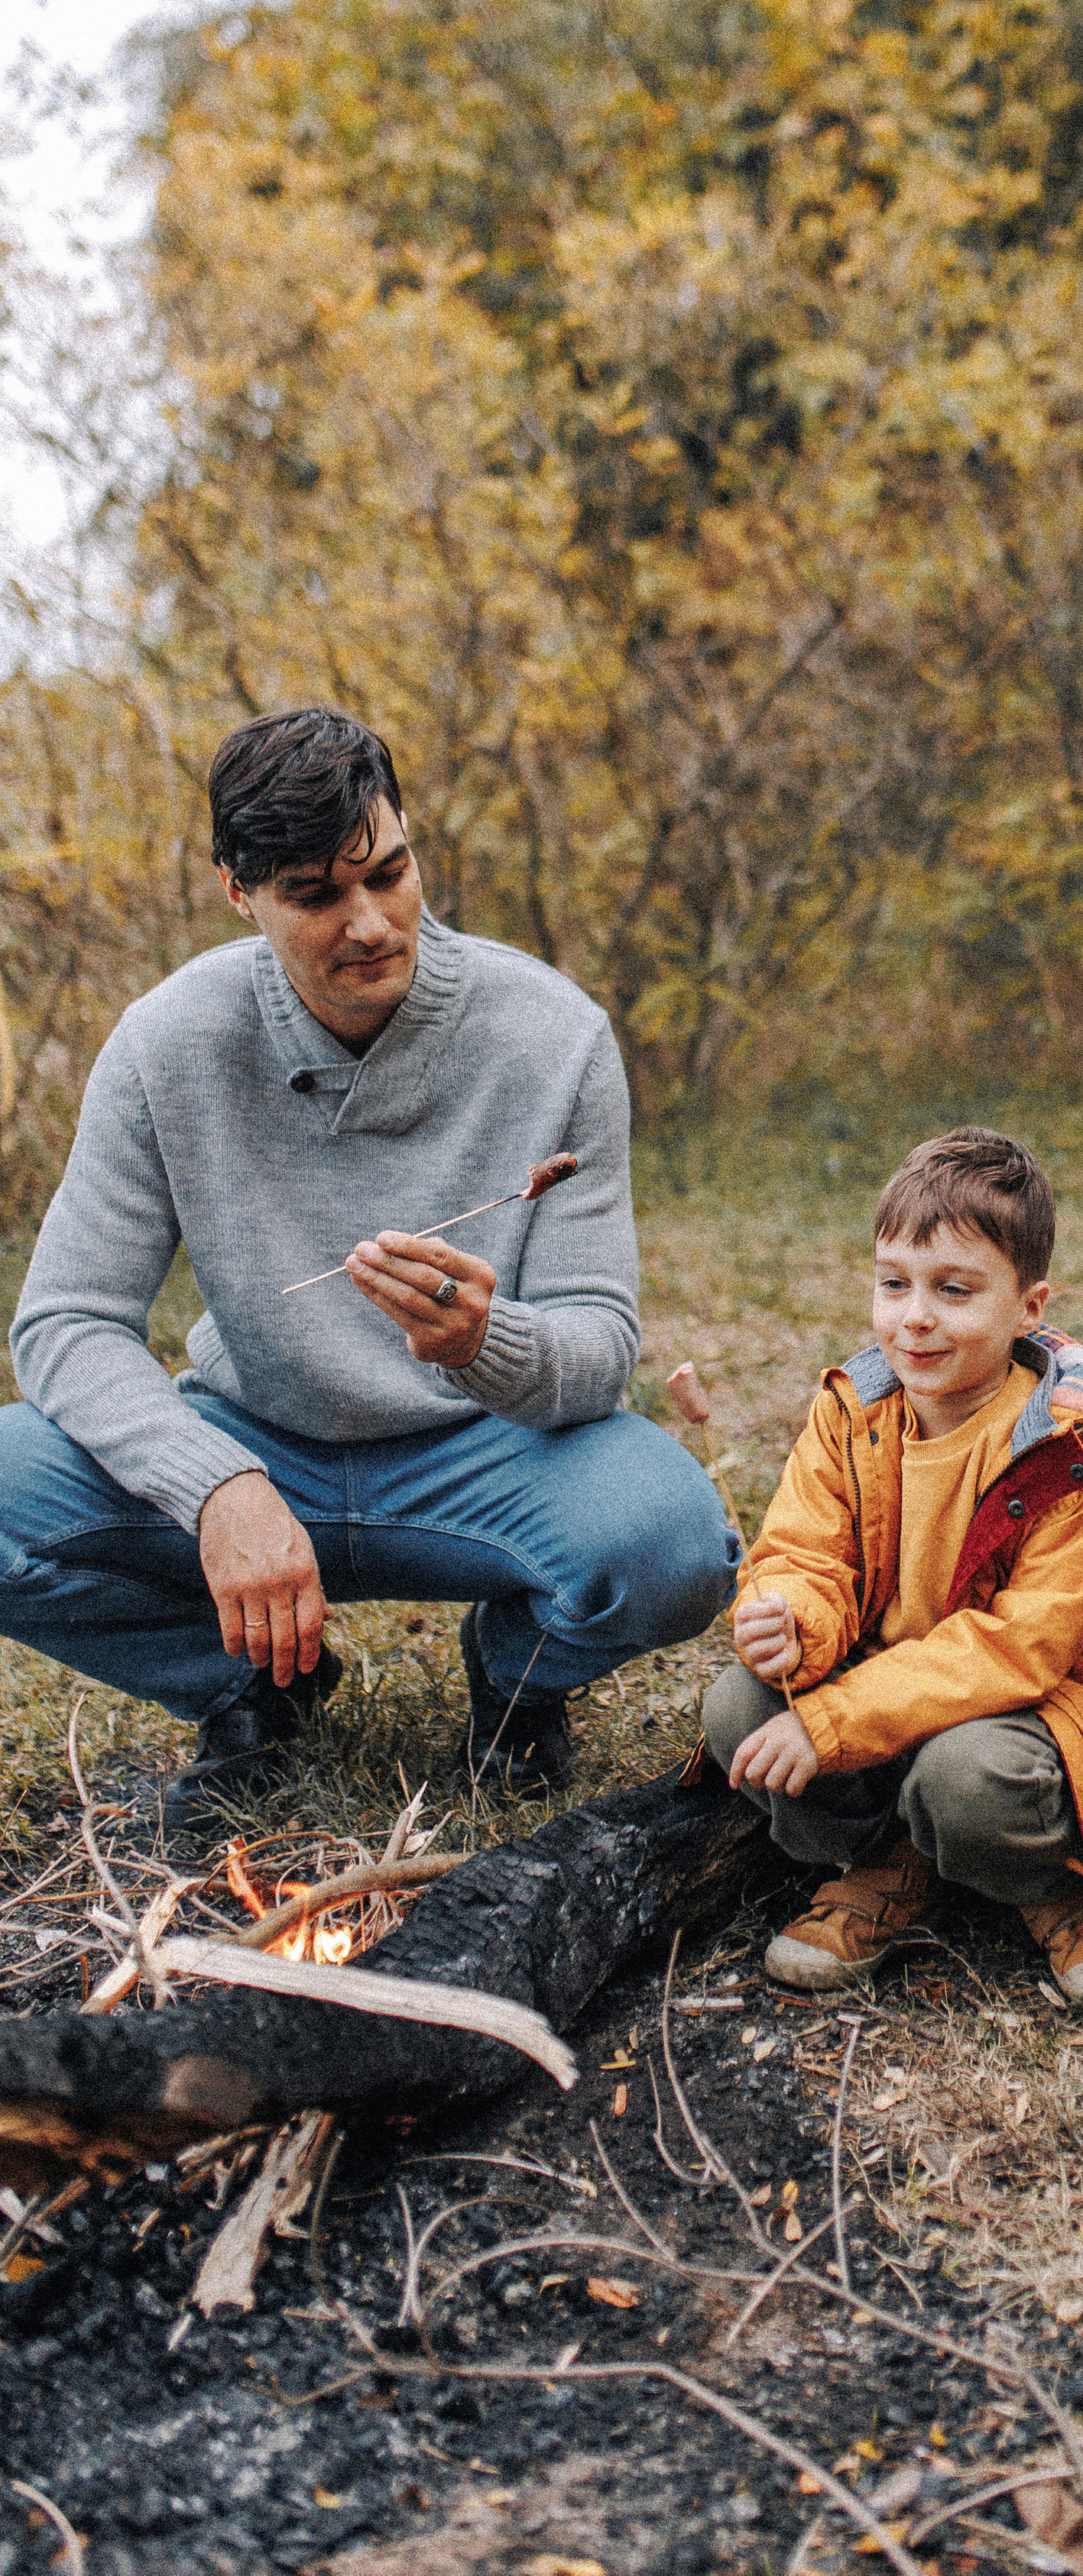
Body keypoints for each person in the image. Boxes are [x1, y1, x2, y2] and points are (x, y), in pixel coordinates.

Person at [1, 707, 734, 1831]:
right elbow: (66, 1322)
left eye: (389, 874)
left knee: (676, 1545)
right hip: (253, 1441)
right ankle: (250, 1683)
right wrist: (215, 1487)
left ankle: (516, 1674)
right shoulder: (167, 1044)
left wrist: (492, 1344)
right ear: (237, 893)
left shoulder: (556, 1034)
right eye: (315, 895)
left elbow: (599, 1344)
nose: (371, 924)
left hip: (488, 1459)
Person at [702, 1128, 1083, 2002]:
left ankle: (1057, 1884)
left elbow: (1019, 1647)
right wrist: (794, 1615)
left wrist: (832, 1723)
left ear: (1029, 1308)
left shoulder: (1065, 1449)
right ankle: (889, 1864)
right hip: (883, 1687)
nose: (914, 1316)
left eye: (954, 1291)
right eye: (894, 1284)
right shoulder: (853, 1411)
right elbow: (803, 1549)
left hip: (1034, 1710)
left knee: (968, 1779)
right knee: (737, 1707)